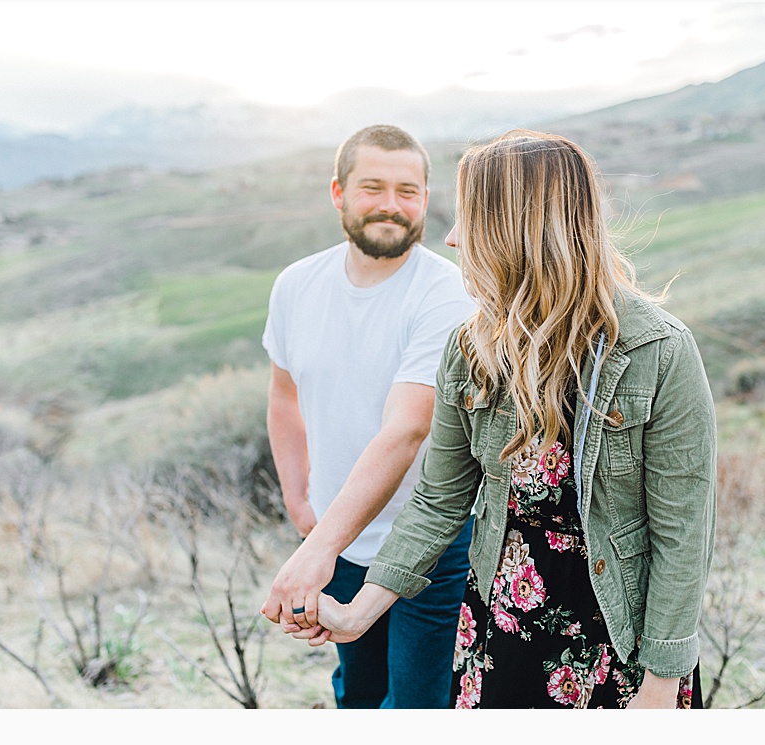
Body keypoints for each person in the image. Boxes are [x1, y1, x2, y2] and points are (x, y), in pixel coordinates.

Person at [280, 130, 717, 710]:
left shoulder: (657, 352)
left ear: (519, 231)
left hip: (620, 642)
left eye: (469, 220)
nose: (453, 238)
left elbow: (683, 535)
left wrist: (661, 682)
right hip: (497, 632)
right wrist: (359, 612)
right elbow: (439, 501)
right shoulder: (471, 348)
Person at [259, 125, 475, 708]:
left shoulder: (448, 293)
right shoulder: (297, 285)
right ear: (338, 193)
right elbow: (284, 395)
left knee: (418, 705)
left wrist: (316, 547)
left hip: (432, 543)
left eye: (408, 191)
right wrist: (299, 499)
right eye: (373, 187)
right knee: (358, 695)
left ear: (425, 200)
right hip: (338, 537)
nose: (390, 205)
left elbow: (408, 429)